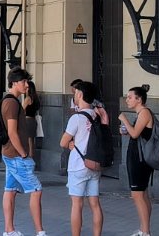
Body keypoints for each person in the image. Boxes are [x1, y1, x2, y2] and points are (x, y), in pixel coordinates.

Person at [0, 68, 44, 236]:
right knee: (36, 189)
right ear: (15, 83)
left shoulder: (11, 101)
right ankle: (40, 232)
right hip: (17, 155)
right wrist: (24, 154)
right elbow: (12, 132)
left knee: (10, 190)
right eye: (24, 81)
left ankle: (9, 230)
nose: (27, 85)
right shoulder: (12, 102)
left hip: (10, 153)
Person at [63, 81, 107, 236]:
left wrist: (71, 143)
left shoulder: (77, 118)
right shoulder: (97, 115)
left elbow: (63, 142)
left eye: (75, 93)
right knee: (95, 203)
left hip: (78, 165)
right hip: (94, 164)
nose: (74, 95)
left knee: (77, 204)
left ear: (80, 94)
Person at [119, 85, 156, 236]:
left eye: (130, 97)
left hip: (140, 160)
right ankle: (144, 228)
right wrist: (125, 129)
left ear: (139, 99)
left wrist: (124, 120)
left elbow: (135, 134)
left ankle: (145, 231)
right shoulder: (142, 113)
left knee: (137, 194)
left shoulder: (145, 113)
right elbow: (137, 134)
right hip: (138, 157)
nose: (127, 100)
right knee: (142, 194)